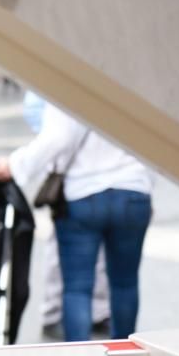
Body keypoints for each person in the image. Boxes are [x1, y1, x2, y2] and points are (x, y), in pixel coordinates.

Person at [0, 103, 153, 342]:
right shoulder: (135, 81)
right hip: (133, 190)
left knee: (78, 287)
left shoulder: (77, 80)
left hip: (83, 193)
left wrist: (15, 165)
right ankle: (126, 355)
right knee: (125, 284)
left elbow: (59, 136)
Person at [21, 91, 110, 337]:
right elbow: (42, 122)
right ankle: (55, 312)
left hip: (91, 179)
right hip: (75, 177)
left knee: (85, 267)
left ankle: (95, 313)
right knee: (65, 258)